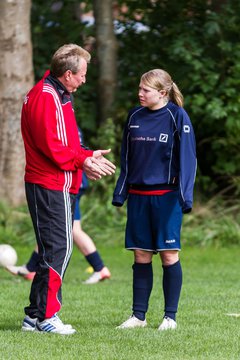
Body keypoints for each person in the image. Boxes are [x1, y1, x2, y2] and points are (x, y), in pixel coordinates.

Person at [20, 44, 115, 335]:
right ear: (68, 74)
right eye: (83, 75)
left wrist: (85, 154)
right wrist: (83, 159)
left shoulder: (58, 93)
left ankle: (34, 316)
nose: (85, 80)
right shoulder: (47, 97)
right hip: (50, 184)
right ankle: (48, 317)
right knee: (59, 250)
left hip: (53, 182)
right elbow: (55, 148)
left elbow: (66, 141)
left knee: (52, 250)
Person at [112, 69, 197, 331]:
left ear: (162, 93)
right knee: (141, 255)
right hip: (139, 197)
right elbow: (126, 158)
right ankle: (139, 316)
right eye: (139, 88)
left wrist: (185, 196)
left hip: (167, 198)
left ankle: (170, 317)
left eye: (145, 90)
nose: (140, 93)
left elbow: (188, 160)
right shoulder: (134, 116)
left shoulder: (176, 116)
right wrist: (121, 192)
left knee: (169, 256)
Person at [6, 172, 111, 284]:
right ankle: (31, 267)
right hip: (73, 180)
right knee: (57, 227)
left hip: (70, 180)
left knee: (68, 228)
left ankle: (99, 268)